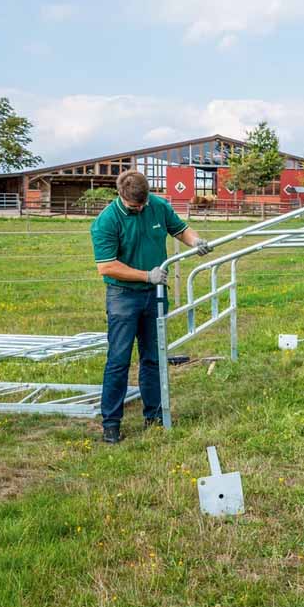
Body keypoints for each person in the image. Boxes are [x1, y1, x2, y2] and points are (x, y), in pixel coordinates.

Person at [90, 169, 212, 443]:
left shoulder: (157, 205)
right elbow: (106, 266)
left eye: (143, 203)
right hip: (123, 297)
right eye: (135, 206)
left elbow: (180, 229)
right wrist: (146, 275)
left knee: (153, 357)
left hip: (154, 295)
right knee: (119, 360)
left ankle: (154, 416)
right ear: (121, 196)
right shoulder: (106, 221)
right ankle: (111, 423)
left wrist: (196, 241)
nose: (141, 208)